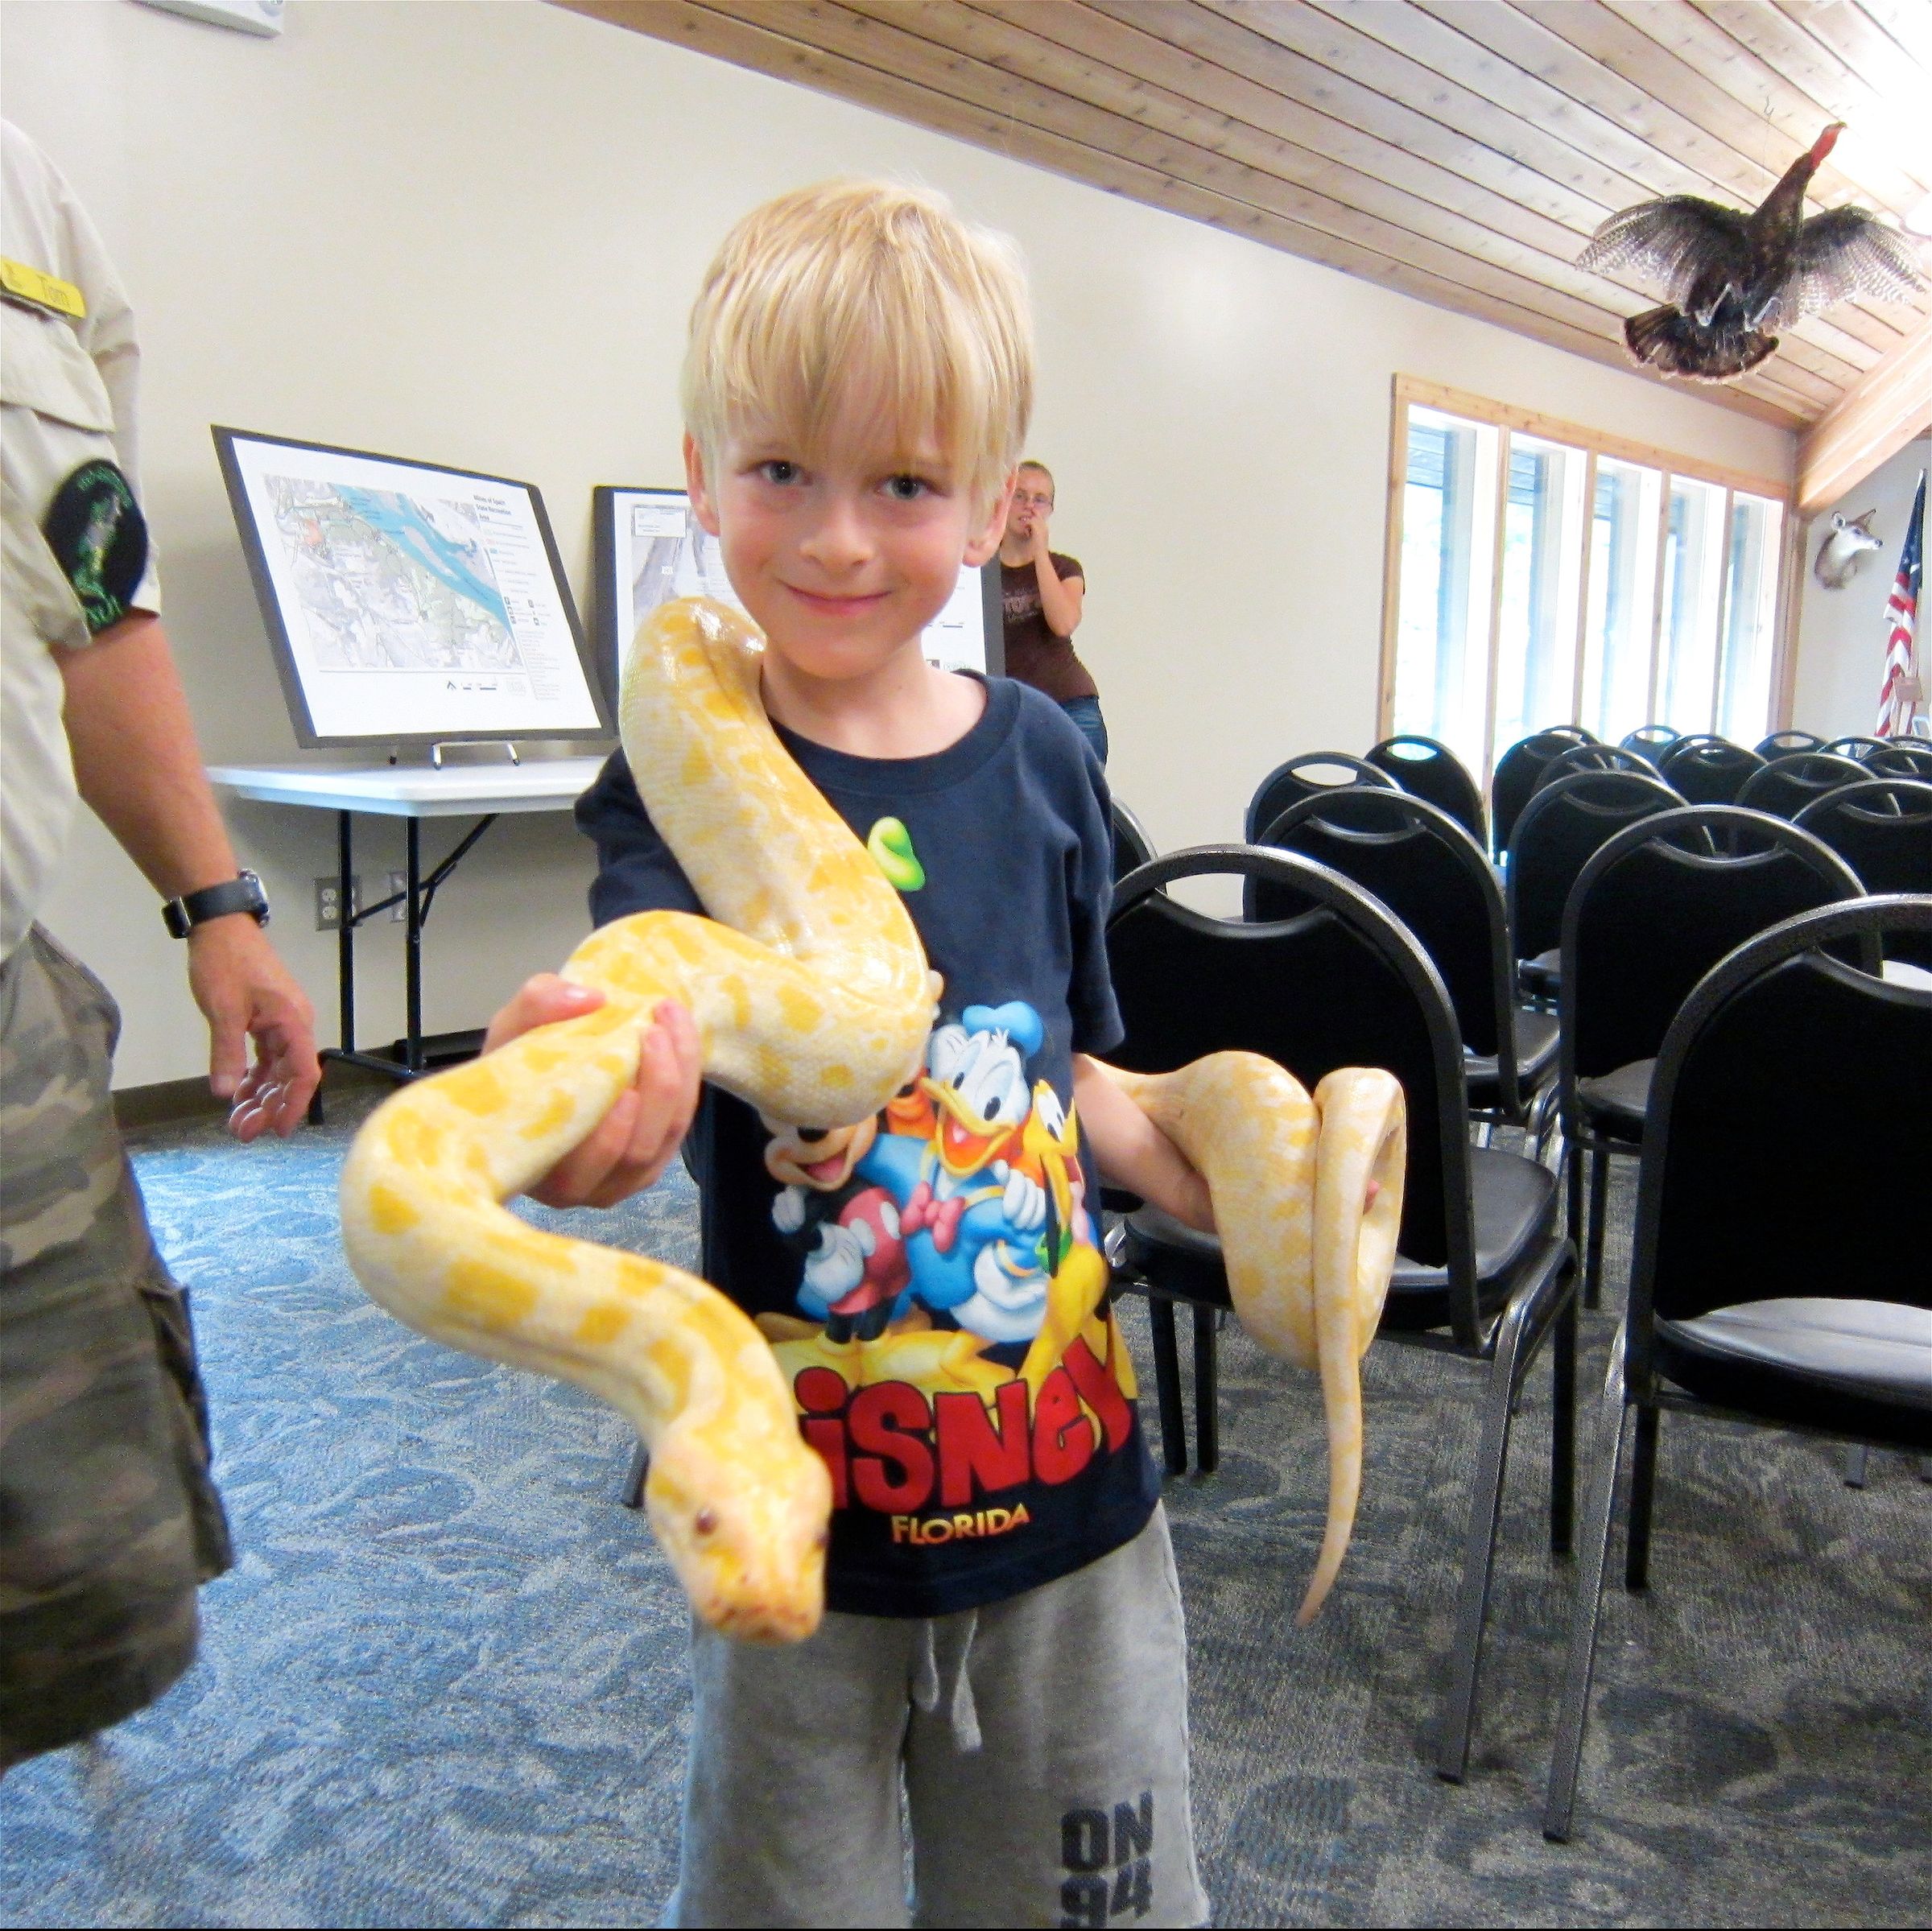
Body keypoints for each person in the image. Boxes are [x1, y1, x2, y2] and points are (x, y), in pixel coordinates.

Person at [485, 179, 1215, 1925]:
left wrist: (1235, 1172)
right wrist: (560, 1100)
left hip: (1064, 1489)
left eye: (900, 481)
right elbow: (631, 1085)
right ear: (702, 470)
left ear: (991, 506)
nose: (832, 537)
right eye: (781, 472)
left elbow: (1078, 1075)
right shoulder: (676, 769)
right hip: (796, 1509)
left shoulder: (1044, 761)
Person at [0, 121, 321, 1772]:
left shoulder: (28, 197)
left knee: (80, 1590)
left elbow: (91, 591)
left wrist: (220, 900)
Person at [997, 459, 1105, 765]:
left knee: (1078, 809)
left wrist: (1039, 553)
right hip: (1011, 715)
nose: (1029, 506)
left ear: (1050, 510)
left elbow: (1064, 622)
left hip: (1069, 707)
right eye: (1020, 496)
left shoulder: (1064, 568)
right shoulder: (978, 569)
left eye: (1040, 499)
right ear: (1002, 501)